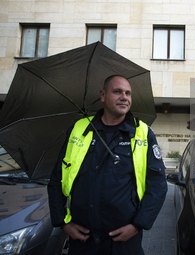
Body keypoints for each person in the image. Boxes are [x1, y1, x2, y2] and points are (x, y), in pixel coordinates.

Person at [48, 75, 167, 255]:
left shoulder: (142, 133)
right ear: (103, 95)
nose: (124, 97)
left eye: (128, 93)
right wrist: (63, 222)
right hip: (83, 241)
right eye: (117, 92)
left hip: (124, 242)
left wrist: (137, 225)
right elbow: (57, 178)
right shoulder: (79, 129)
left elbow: (158, 185)